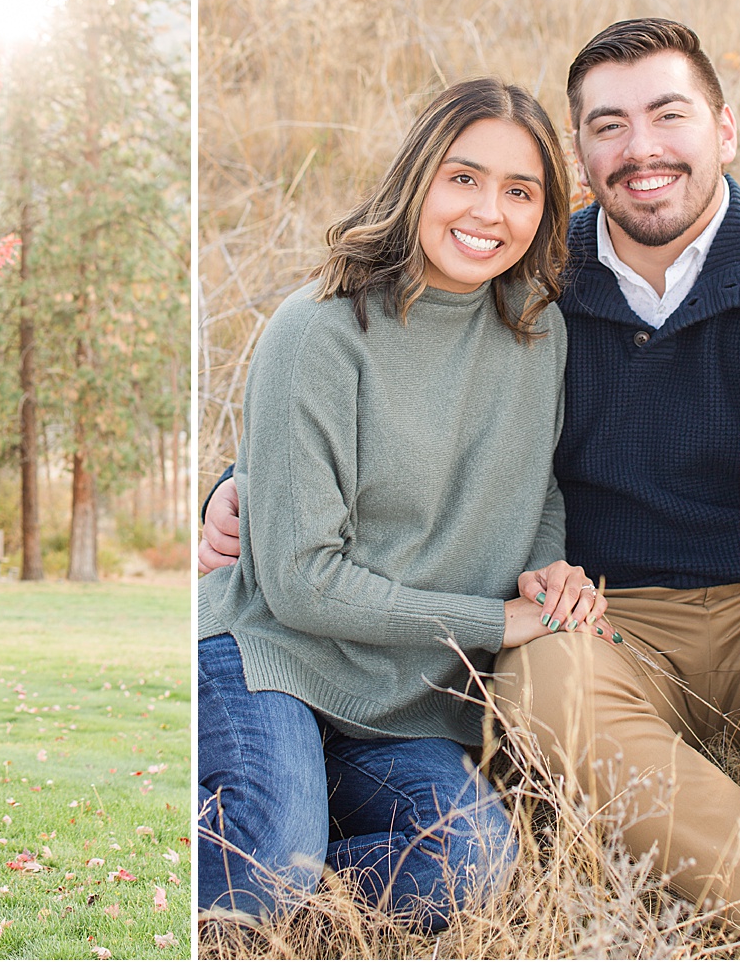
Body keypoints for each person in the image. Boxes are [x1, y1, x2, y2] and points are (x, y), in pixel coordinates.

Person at [200, 18, 740, 957]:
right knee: (540, 687)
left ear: (724, 131)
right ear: (582, 156)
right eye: (610, 125)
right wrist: (235, 482)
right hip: (609, 628)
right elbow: (367, 392)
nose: (642, 148)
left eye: (670, 115)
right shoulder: (537, 275)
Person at [198, 76, 618, 933]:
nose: (488, 212)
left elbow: (533, 489)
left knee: (473, 865)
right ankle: (259, 867)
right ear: (418, 179)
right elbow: (303, 585)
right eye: (463, 178)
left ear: (546, 212)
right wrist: (500, 623)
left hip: (404, 706)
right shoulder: (317, 332)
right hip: (272, 661)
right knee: (264, 869)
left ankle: (281, 882)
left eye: (520, 190)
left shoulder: (539, 331)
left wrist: (545, 573)